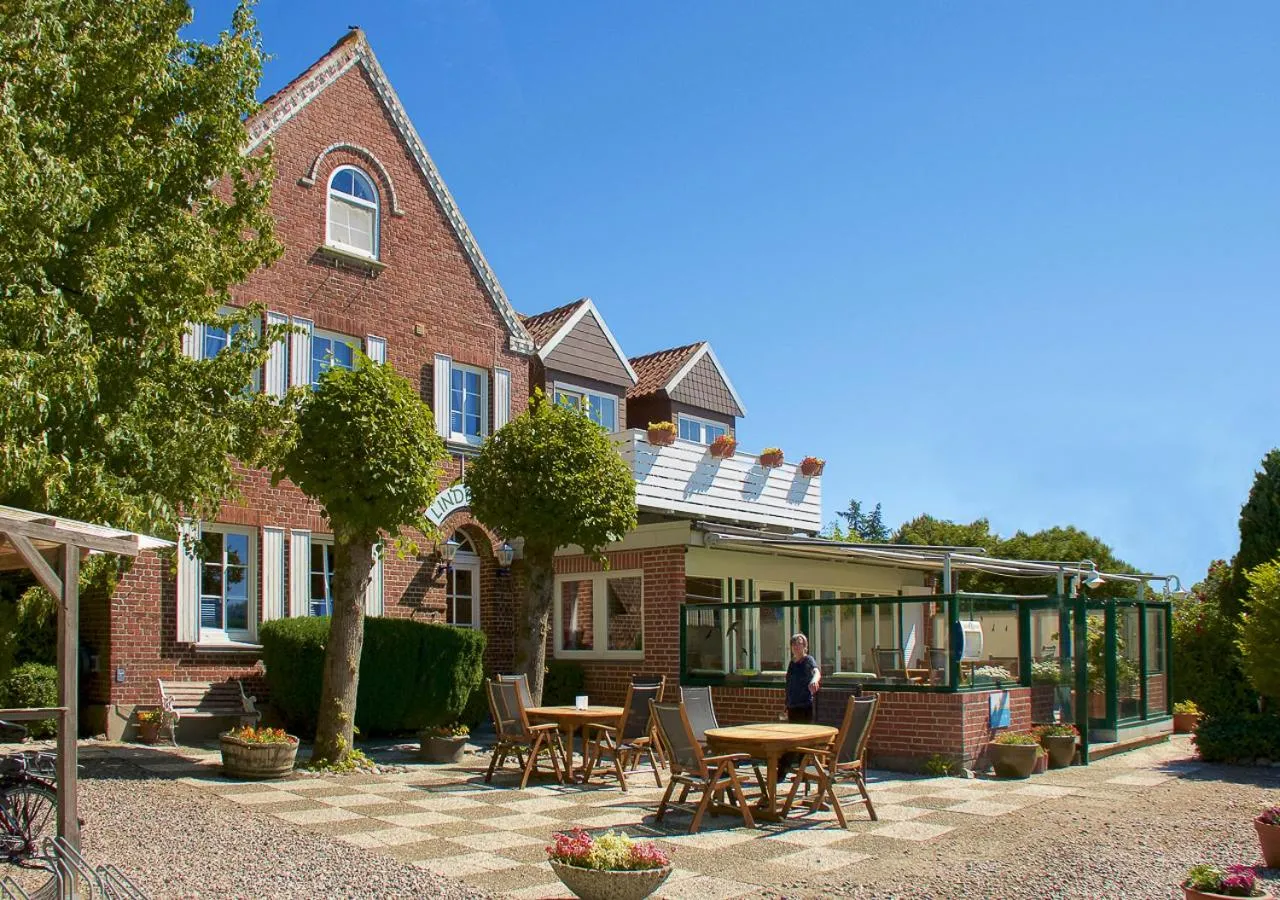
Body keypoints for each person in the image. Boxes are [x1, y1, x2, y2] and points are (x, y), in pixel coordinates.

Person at [777, 633, 820, 782]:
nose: (797, 646)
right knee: (792, 740)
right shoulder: (792, 663)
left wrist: (814, 681)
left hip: (805, 706)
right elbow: (789, 685)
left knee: (800, 741)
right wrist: (786, 704)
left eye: (800, 643)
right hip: (793, 706)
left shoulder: (808, 660)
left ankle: (789, 772)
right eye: (794, 644)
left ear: (805, 646)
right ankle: (795, 773)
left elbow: (816, 672)